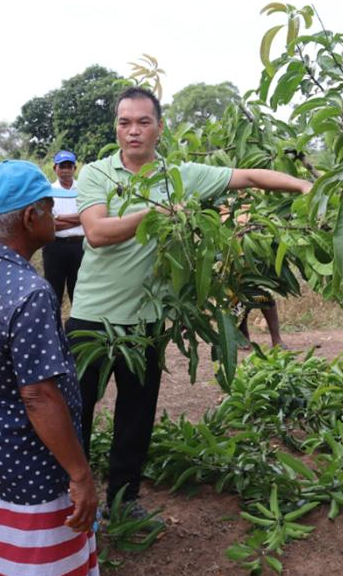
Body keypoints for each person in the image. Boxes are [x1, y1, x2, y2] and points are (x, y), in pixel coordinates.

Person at [68, 87, 313, 515]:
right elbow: (98, 233)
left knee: (135, 418)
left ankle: (123, 502)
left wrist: (307, 186)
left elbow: (250, 177)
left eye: (143, 122)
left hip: (146, 321)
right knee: (76, 415)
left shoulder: (180, 177)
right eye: (125, 123)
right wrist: (156, 213)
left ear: (159, 128)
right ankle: (68, 500)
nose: (133, 131)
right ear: (116, 128)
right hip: (91, 318)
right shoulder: (98, 175)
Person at [0, 160, 100, 576]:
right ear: (31, 217)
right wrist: (80, 475)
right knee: (40, 567)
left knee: (2, 557)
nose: (55, 217)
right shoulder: (30, 293)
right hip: (31, 457)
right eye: (50, 209)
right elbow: (38, 397)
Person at [42, 150, 85, 307]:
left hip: (79, 247)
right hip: (55, 247)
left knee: (79, 292)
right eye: (62, 167)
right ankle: (53, 328)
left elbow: (87, 217)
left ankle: (78, 330)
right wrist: (78, 219)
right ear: (55, 168)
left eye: (69, 166)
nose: (65, 170)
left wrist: (59, 218)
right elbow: (48, 224)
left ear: (74, 168)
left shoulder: (84, 189)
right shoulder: (48, 191)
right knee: (54, 291)